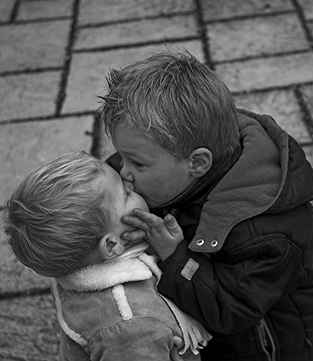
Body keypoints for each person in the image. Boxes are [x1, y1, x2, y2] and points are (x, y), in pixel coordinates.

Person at [99, 52, 313, 361]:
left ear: (198, 162)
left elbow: (230, 310)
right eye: (122, 157)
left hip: (280, 341)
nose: (123, 172)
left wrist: (176, 257)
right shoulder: (196, 146)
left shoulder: (264, 235)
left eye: (136, 162)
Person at [5, 152, 211, 361]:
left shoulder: (78, 267)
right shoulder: (132, 326)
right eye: (126, 195)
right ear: (112, 245)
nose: (131, 184)